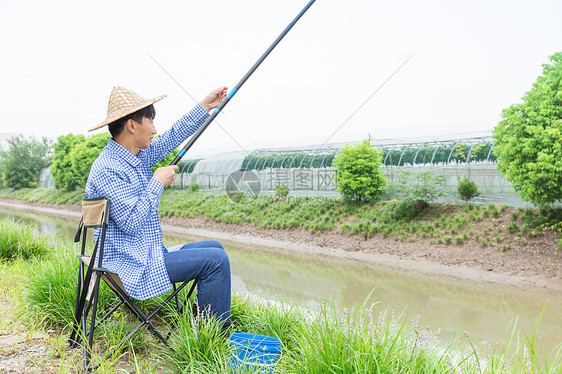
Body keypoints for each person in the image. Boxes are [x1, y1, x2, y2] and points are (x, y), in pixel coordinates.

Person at [85, 86, 231, 327]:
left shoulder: (133, 156)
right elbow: (131, 223)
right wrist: (157, 182)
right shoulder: (108, 169)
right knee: (216, 261)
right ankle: (214, 339)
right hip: (130, 265)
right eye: (150, 121)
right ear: (132, 126)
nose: (155, 130)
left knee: (215, 247)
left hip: (144, 253)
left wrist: (205, 106)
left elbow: (172, 136)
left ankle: (204, 321)